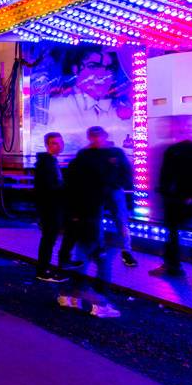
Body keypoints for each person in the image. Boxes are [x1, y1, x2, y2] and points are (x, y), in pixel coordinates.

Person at [58, 127, 123, 318]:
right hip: (90, 217)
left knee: (80, 256)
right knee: (100, 260)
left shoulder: (78, 163)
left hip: (77, 217)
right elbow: (108, 184)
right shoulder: (97, 167)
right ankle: (101, 303)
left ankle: (69, 295)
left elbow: (69, 189)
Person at [151, 139, 192, 288]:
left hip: (176, 198)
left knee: (177, 235)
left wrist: (165, 192)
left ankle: (179, 267)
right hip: (186, 198)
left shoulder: (174, 150)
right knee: (190, 235)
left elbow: (165, 175)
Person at [84, 126, 137, 267]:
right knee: (102, 222)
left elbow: (127, 171)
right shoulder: (89, 153)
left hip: (110, 191)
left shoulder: (111, 152)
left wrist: (118, 184)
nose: (96, 139)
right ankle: (109, 249)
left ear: (104, 136)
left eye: (98, 136)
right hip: (100, 192)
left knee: (118, 221)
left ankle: (125, 251)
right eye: (93, 136)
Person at [34, 133, 71, 283]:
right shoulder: (47, 163)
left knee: (49, 238)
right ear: (48, 145)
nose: (58, 145)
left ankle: (44, 268)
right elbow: (50, 187)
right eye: (54, 143)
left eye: (59, 142)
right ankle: (43, 270)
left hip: (50, 206)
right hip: (50, 207)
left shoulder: (50, 161)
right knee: (49, 238)